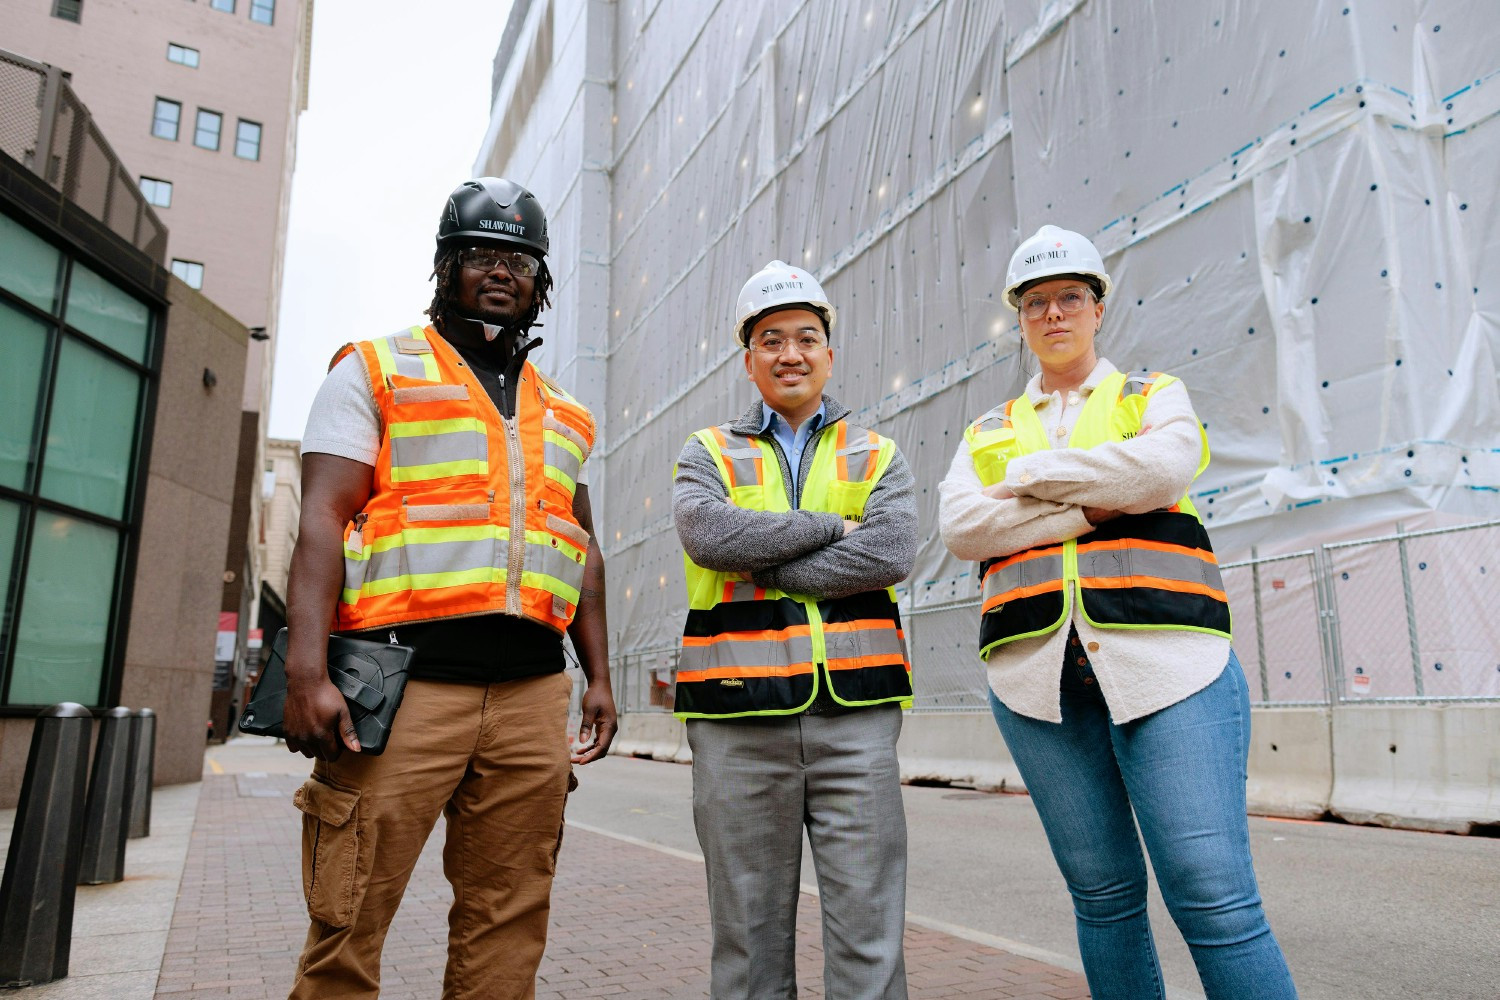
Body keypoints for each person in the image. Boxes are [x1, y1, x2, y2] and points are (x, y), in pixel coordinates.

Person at [938, 225, 1298, 1000]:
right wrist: (1096, 507)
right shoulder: (986, 428)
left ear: (1099, 308)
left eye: (1070, 297)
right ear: (1022, 320)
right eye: (1036, 303)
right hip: (1038, 683)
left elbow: (1164, 469)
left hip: (1172, 665)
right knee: (1102, 898)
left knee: (1213, 894)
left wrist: (1031, 480)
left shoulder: (1151, 396)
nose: (1053, 313)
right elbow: (964, 529)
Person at [280, 177, 617, 1000]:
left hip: (531, 693)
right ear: (445, 266)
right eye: (481, 254)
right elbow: (322, 517)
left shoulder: (565, 412)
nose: (502, 271)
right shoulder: (375, 369)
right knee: (348, 916)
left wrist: (599, 676)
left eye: (521, 259)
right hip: (401, 690)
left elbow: (582, 549)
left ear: (542, 281)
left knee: (508, 919)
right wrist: (304, 671)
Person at [671, 260, 917, 1000]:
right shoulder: (706, 451)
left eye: (806, 337)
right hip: (735, 716)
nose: (790, 353)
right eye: (771, 339)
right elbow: (710, 537)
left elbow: (892, 552)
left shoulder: (878, 453)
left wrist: (770, 559)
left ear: (829, 354)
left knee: (869, 933)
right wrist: (829, 529)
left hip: (857, 720)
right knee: (746, 940)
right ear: (749, 360)